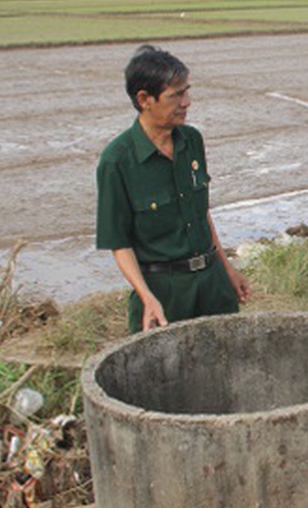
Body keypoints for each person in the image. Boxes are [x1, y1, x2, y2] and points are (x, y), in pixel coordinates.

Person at [96, 44, 250, 333]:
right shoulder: (117, 160)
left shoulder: (191, 141)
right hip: (164, 292)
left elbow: (201, 213)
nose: (186, 102)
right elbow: (119, 243)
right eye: (176, 94)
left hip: (212, 283)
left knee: (226, 365)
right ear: (145, 99)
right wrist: (147, 297)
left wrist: (227, 270)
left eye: (187, 91)